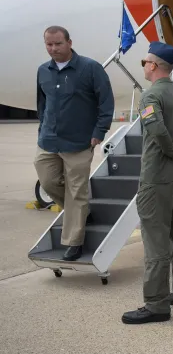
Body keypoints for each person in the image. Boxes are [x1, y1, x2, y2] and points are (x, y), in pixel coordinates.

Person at [121, 42, 173, 325]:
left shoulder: (151, 96)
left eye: (144, 62)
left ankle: (156, 304)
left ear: (152, 65)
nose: (144, 67)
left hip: (157, 177)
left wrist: (172, 151)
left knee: (155, 241)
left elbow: (156, 131)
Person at [34, 26, 114, 261]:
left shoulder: (90, 68)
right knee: (48, 182)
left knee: (77, 191)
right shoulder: (43, 70)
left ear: (69, 42)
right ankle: (81, 213)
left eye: (58, 44)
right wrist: (42, 129)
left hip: (79, 142)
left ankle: (73, 242)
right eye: (49, 44)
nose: (53, 49)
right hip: (48, 140)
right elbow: (42, 104)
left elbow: (105, 102)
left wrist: (99, 131)